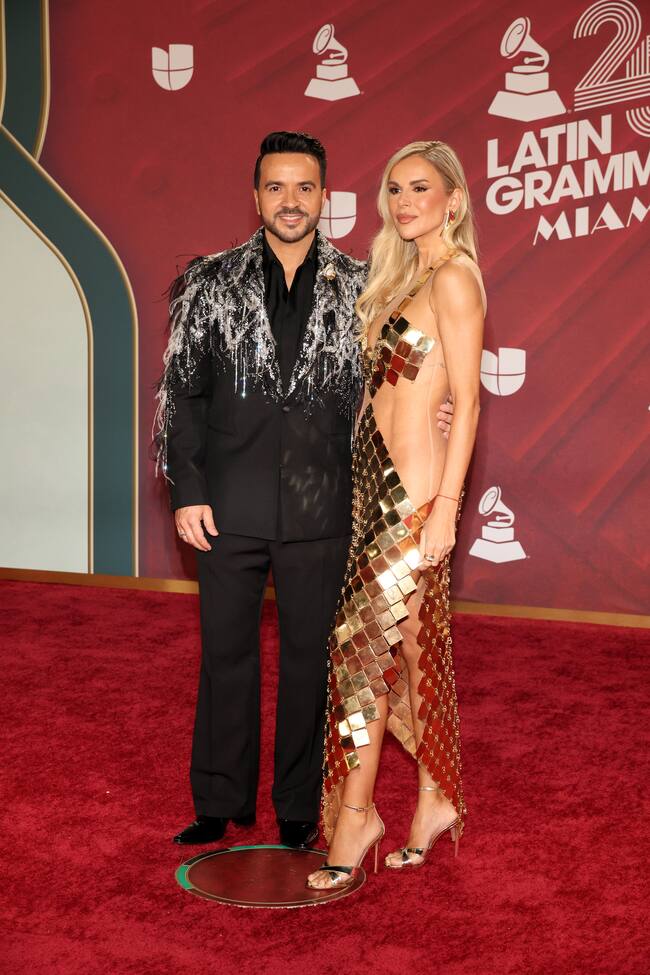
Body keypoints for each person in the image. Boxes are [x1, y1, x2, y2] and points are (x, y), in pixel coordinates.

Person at [155, 131, 454, 850]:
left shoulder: (364, 286)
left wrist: (434, 405)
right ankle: (218, 799)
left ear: (325, 196)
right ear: (255, 196)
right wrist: (188, 489)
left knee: (312, 661)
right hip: (225, 507)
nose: (290, 201)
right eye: (276, 187)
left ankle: (297, 805)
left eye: (304, 187)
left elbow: (398, 380)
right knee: (224, 654)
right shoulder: (209, 281)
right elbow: (180, 394)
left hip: (328, 509)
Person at [307, 140, 485, 889]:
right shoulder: (403, 275)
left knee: (357, 658)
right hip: (374, 491)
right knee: (405, 648)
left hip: (413, 499)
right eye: (395, 189)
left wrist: (445, 509)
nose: (406, 200)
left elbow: (468, 399)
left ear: (453, 197)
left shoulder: (454, 278)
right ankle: (436, 794)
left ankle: (357, 816)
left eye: (422, 187)